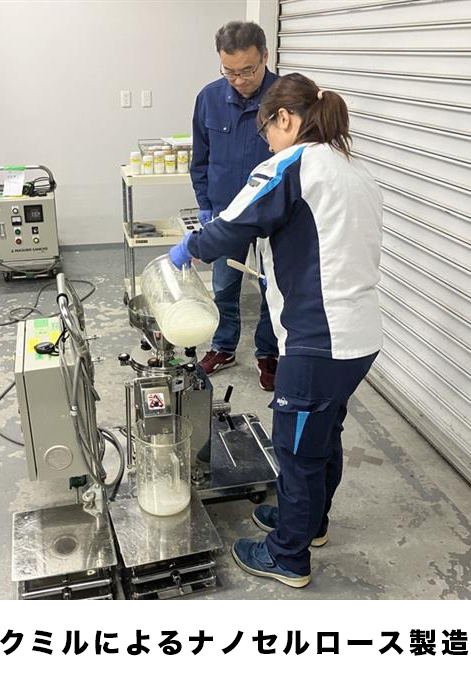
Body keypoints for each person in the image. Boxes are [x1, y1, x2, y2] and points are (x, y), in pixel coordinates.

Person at [170, 73, 383, 588]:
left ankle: (288, 556)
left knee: (296, 451)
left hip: (318, 341)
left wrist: (188, 249)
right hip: (358, 336)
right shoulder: (353, 168)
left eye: (266, 128)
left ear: (284, 118)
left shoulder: (292, 163)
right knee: (323, 436)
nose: (265, 141)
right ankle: (310, 523)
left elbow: (231, 225)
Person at [191, 20, 279, 390]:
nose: (239, 80)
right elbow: (200, 158)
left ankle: (268, 352)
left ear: (265, 57)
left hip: (276, 214)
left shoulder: (285, 100)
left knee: (273, 286)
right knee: (224, 286)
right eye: (229, 71)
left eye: (247, 71)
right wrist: (205, 203)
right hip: (227, 212)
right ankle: (224, 346)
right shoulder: (209, 98)